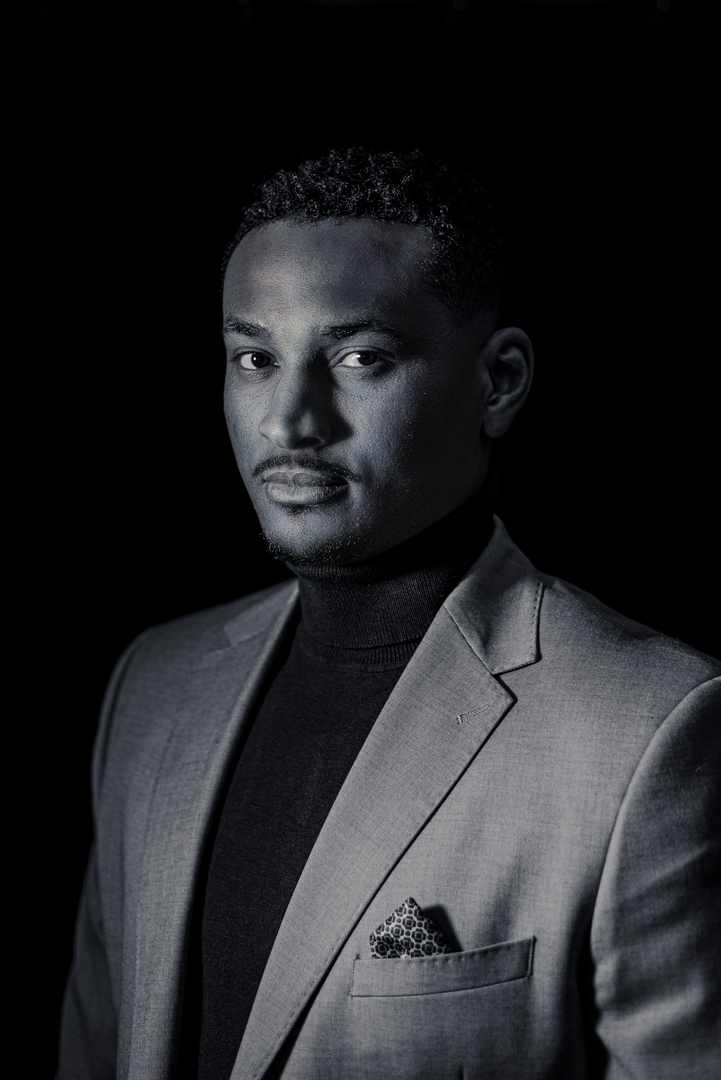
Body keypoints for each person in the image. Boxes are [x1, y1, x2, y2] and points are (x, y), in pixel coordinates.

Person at [57, 149, 720, 1080]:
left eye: (359, 358)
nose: (289, 422)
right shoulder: (154, 683)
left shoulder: (647, 725)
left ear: (499, 381)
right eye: (255, 358)